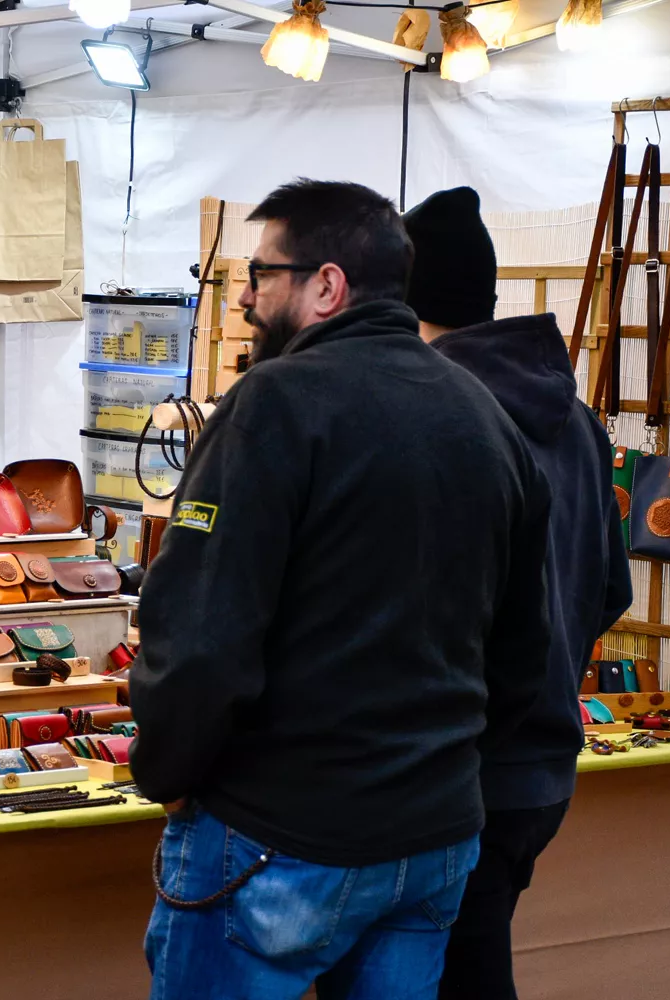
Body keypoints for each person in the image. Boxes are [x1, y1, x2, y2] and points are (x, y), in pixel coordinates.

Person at [131, 179, 553, 1000]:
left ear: (326, 285)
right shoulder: (485, 415)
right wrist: (439, 766)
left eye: (262, 275)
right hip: (429, 840)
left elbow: (204, 635)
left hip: (280, 835)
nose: (248, 298)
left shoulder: (274, 403)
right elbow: (522, 651)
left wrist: (164, 766)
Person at [403, 187, 632, 1000]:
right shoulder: (572, 419)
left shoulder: (442, 416)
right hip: (540, 767)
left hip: (464, 769)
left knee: (454, 977)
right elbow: (610, 588)